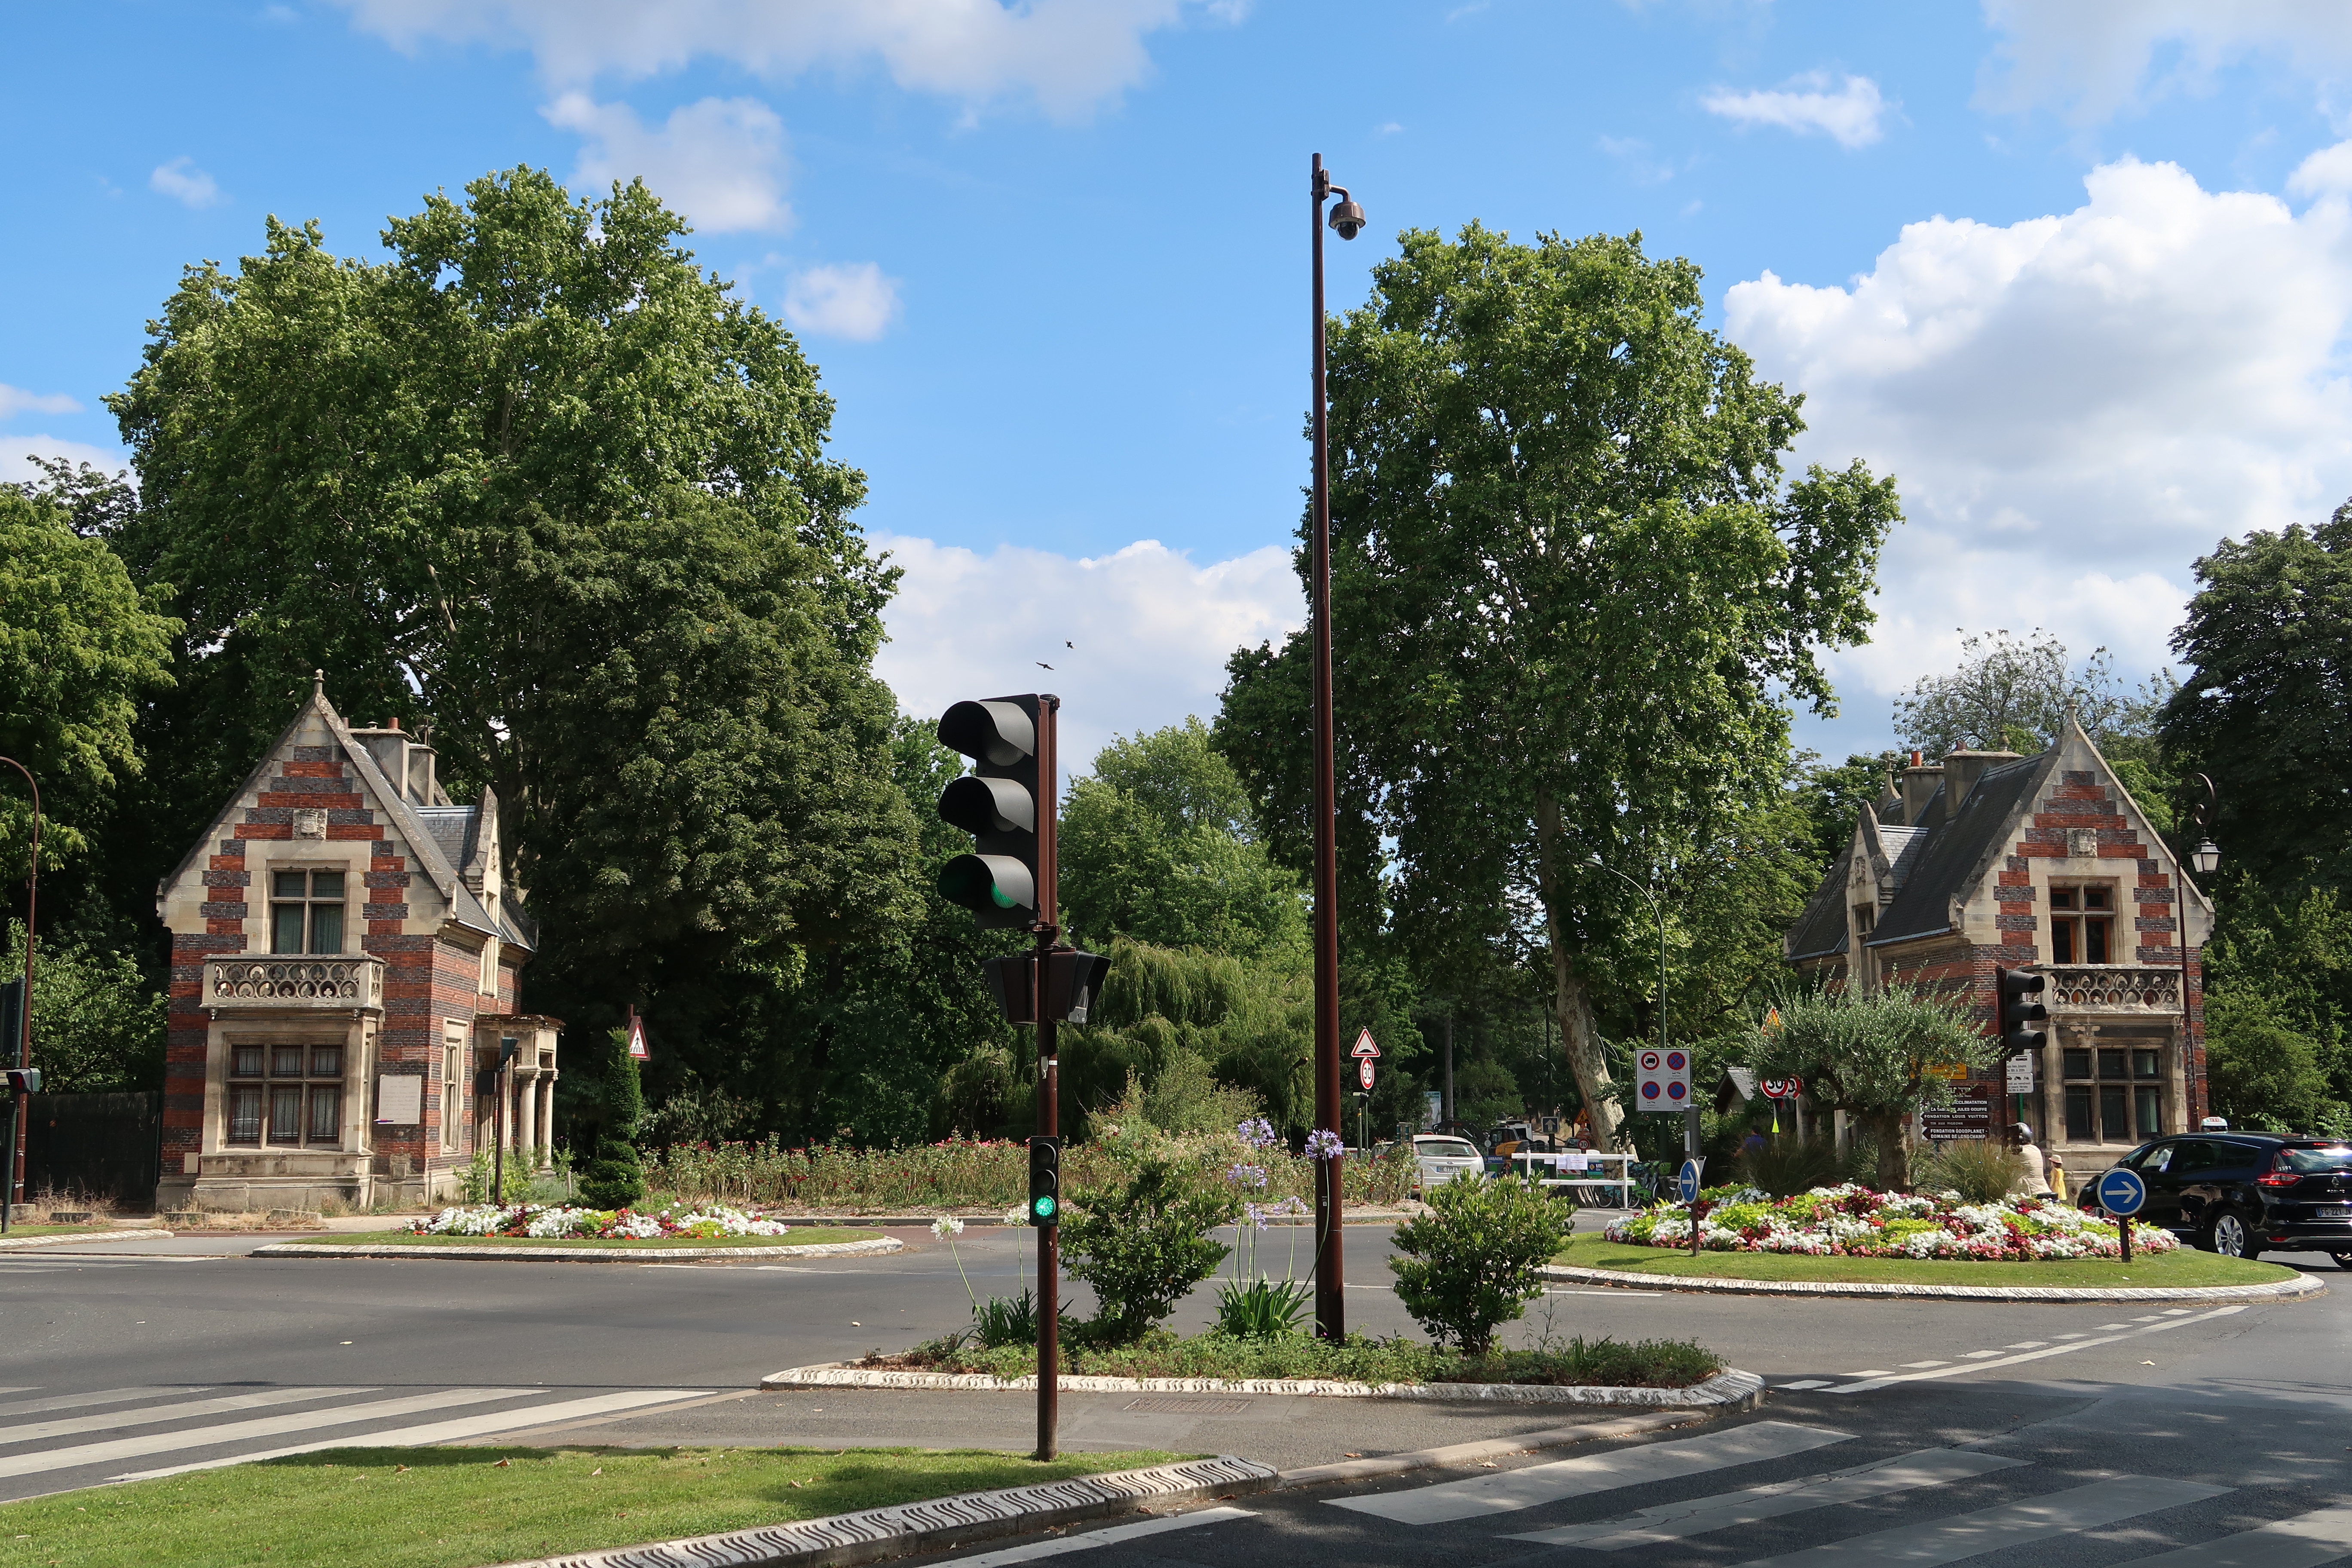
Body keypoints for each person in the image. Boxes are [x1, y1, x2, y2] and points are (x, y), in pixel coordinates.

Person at [2010, 1122, 2049, 1197]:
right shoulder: (2036, 1149)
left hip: (2028, 1191)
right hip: (2043, 1188)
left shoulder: (2021, 1152)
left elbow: (2005, 1163)